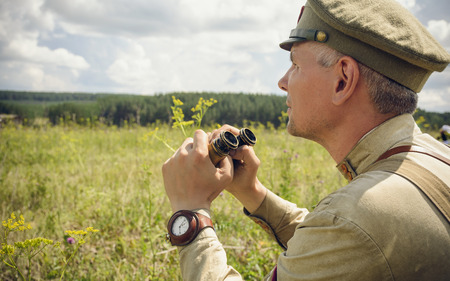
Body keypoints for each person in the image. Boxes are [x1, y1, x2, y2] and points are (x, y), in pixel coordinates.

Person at [162, 0, 450, 280]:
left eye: (296, 65)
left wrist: (191, 213)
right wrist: (252, 192)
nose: (283, 81)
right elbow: (336, 242)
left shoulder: (356, 218)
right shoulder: (434, 156)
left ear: (343, 80)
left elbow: (347, 230)